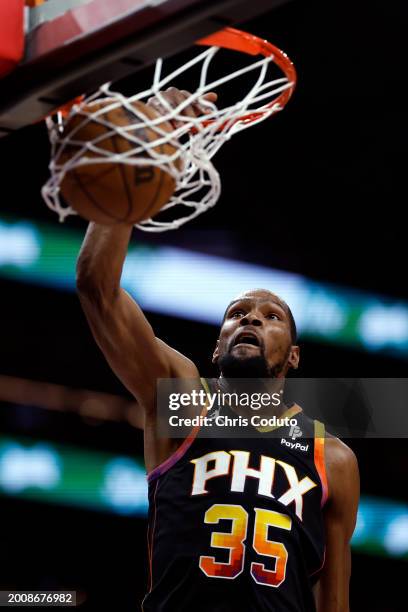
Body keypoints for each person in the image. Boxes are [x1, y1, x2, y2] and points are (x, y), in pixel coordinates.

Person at [76, 88, 359, 612]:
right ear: (217, 346)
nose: (250, 317)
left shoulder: (334, 458)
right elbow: (97, 288)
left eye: (271, 316)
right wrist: (143, 152)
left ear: (292, 356)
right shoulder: (184, 399)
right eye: (236, 314)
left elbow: (333, 601)